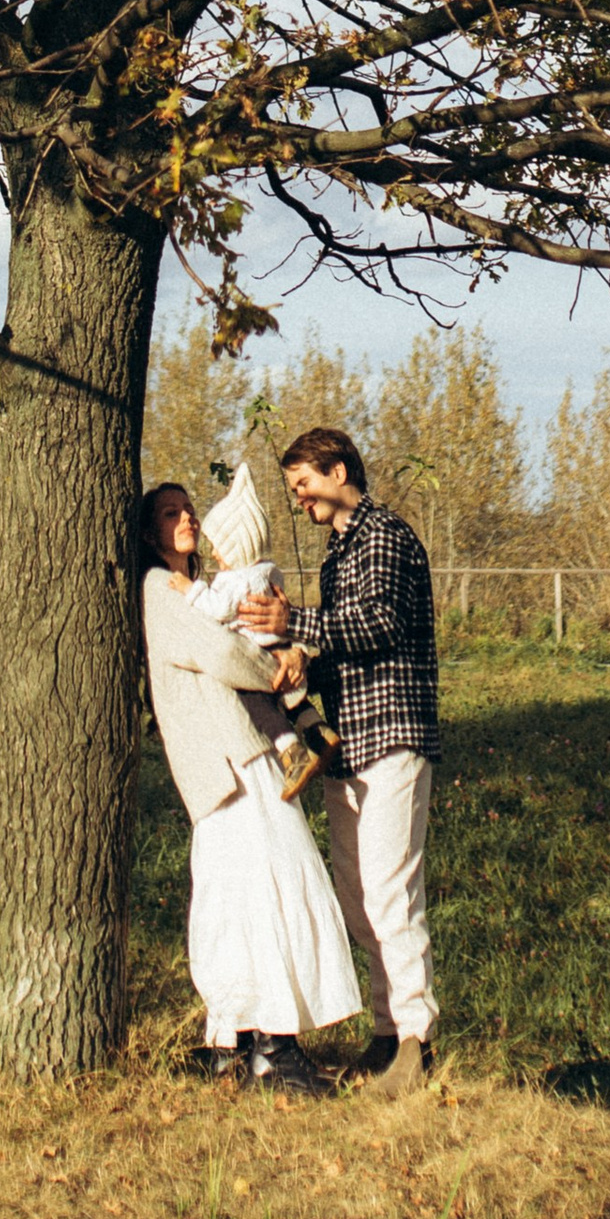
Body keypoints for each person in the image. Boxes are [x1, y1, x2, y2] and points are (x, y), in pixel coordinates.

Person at [137, 480, 360, 1091]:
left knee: (243, 892)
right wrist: (282, 665)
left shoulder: (202, 587)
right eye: (169, 513)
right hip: (225, 760)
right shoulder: (159, 590)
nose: (184, 518)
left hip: (238, 753)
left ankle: (237, 1043)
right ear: (150, 531)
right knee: (266, 886)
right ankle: (270, 1046)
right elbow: (221, 652)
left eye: (188, 510)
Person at [240, 429, 440, 1099]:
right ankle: (386, 1039)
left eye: (305, 483)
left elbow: (381, 622)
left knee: (390, 892)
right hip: (348, 745)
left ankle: (417, 1044)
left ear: (338, 469)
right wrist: (306, 656)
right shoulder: (340, 550)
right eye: (294, 488)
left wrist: (296, 623)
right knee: (359, 896)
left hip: (392, 737)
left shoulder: (383, 534)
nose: (299, 498)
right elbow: (349, 638)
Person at [191, 462, 343, 798]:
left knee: (258, 704)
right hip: (283, 649)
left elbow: (215, 610)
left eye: (218, 546)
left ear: (236, 547)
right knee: (293, 700)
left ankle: (292, 752)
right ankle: (318, 731)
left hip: (259, 656)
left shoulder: (233, 581)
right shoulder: (270, 573)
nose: (214, 553)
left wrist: (191, 591)